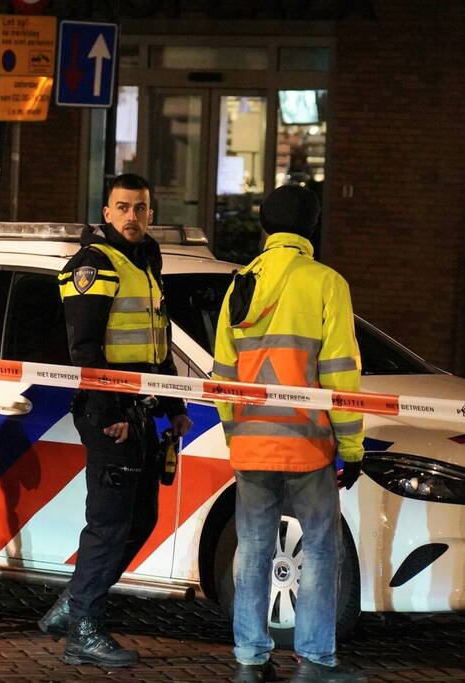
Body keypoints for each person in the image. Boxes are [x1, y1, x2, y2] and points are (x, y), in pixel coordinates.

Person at [212, 185, 366, 683]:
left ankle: (249, 660)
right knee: (320, 549)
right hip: (309, 443)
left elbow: (222, 372)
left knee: (252, 551)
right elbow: (341, 372)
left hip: (253, 442)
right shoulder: (326, 282)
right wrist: (351, 445)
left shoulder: (240, 285)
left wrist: (237, 433)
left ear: (265, 225)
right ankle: (316, 661)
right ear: (312, 226)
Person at [39, 173, 193, 667]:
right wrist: (110, 413)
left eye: (141, 208)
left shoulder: (145, 260)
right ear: (106, 214)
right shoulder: (94, 263)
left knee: (141, 518)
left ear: (151, 214)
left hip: (142, 410)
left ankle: (74, 605)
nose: (132, 216)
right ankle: (84, 629)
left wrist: (173, 404)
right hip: (113, 413)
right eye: (123, 208)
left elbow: (155, 343)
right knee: (108, 525)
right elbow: (85, 349)